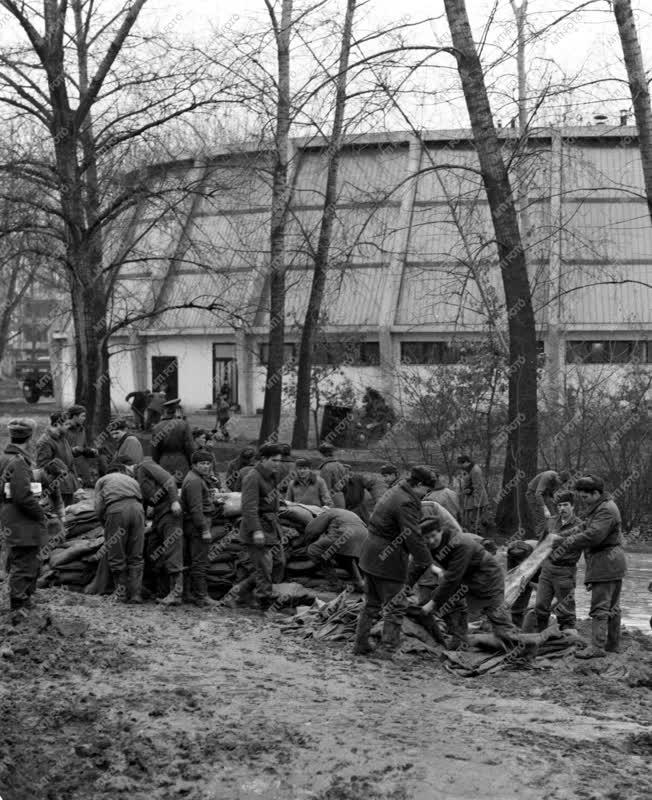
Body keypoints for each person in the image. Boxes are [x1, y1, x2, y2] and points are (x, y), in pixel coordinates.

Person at [353, 465, 437, 657]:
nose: (425, 495)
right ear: (419, 484)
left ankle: (360, 644)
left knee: (371, 603)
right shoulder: (406, 501)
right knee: (396, 606)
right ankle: (387, 649)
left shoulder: (396, 490)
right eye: (426, 490)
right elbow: (412, 535)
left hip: (370, 554)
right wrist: (426, 561)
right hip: (387, 559)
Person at [420, 519, 522, 649]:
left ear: (440, 531)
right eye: (426, 538)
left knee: (496, 614)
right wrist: (405, 588)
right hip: (465, 577)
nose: (431, 541)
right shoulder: (429, 545)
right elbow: (419, 565)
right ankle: (460, 640)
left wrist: (432, 603)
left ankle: (520, 646)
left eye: (433, 536)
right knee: (448, 602)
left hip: (487, 575)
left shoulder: (460, 543)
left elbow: (452, 578)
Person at [555, 475, 627, 659]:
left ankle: (597, 647)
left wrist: (564, 541)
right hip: (611, 562)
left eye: (585, 497)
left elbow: (593, 536)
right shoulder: (600, 507)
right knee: (612, 607)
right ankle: (612, 646)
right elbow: (584, 527)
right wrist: (562, 535)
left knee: (600, 607)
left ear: (596, 493)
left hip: (606, 562)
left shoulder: (605, 510)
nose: (582, 500)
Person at [0, 419, 48, 612]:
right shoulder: (19, 462)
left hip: (10, 516)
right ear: (30, 438)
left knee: (21, 559)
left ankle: (23, 602)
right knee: (25, 562)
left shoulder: (4, 458)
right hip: (22, 520)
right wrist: (40, 514)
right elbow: (22, 496)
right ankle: (20, 604)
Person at [237, 443, 285, 611]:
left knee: (279, 562)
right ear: (263, 459)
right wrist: (257, 531)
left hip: (271, 526)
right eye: (274, 460)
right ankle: (264, 602)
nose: (278, 464)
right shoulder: (253, 477)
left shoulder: (271, 475)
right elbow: (249, 507)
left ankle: (241, 593)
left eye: (280, 461)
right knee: (264, 567)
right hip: (257, 527)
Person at [134, 456, 184, 606]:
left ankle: (176, 594)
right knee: (152, 550)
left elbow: (169, 479)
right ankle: (162, 591)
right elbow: (142, 500)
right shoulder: (136, 478)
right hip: (158, 515)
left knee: (172, 550)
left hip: (170, 511)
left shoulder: (145, 465)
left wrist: (175, 501)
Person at [95, 460, 145, 603]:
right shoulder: (132, 480)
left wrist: (104, 524)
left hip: (117, 510)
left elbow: (98, 506)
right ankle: (136, 595)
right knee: (136, 554)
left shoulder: (102, 480)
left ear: (109, 471)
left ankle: (121, 594)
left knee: (116, 553)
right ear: (122, 470)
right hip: (137, 510)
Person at [533, 491, 582, 633]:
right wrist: (535, 567)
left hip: (566, 570)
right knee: (540, 605)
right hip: (547, 569)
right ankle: (541, 635)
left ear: (572, 506)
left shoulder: (579, 525)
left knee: (565, 610)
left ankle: (568, 637)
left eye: (565, 505)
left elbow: (584, 548)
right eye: (559, 505)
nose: (562, 508)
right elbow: (541, 545)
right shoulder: (551, 521)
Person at [180, 450, 219, 608]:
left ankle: (188, 594)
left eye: (208, 463)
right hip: (198, 525)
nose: (206, 466)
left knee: (191, 560)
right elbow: (196, 509)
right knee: (200, 562)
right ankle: (202, 597)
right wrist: (204, 529)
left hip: (193, 524)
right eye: (202, 463)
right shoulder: (195, 481)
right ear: (194, 465)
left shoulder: (195, 478)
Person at [305, 507, 367, 591]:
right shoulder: (346, 513)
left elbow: (312, 531)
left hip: (345, 534)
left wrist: (307, 542)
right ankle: (360, 582)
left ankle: (335, 584)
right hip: (364, 536)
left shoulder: (327, 513)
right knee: (347, 557)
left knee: (314, 550)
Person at [36, 411, 79, 506]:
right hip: (55, 488)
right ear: (57, 424)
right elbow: (42, 465)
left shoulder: (62, 438)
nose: (69, 427)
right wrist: (60, 471)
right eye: (66, 424)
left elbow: (69, 460)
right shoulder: (45, 441)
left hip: (67, 487)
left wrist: (75, 480)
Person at [151, 398, 195, 485]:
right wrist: (192, 463)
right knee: (182, 489)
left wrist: (157, 466)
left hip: (163, 462)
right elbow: (189, 447)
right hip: (181, 461)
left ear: (165, 412)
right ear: (176, 411)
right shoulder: (183, 424)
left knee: (166, 489)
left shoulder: (156, 427)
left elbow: (154, 451)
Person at [526, 469, 571, 541]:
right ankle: (538, 539)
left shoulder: (560, 483)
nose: (559, 484)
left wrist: (554, 501)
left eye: (561, 483)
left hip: (545, 495)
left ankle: (551, 536)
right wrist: (544, 508)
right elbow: (538, 493)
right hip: (533, 494)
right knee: (542, 518)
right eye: (559, 481)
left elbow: (551, 494)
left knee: (554, 515)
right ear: (557, 476)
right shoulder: (547, 476)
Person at [456, 455, 489, 535]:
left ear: (467, 462)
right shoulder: (467, 469)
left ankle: (478, 536)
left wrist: (477, 503)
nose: (460, 466)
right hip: (469, 497)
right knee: (469, 519)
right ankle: (472, 534)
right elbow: (467, 482)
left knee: (474, 520)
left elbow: (478, 487)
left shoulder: (475, 470)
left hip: (476, 498)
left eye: (461, 464)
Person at [65, 404, 97, 487]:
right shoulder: (63, 430)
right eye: (82, 416)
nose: (84, 418)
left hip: (82, 471)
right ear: (74, 416)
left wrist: (91, 451)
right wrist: (75, 450)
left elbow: (84, 447)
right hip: (68, 471)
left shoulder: (82, 430)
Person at [318, 443, 347, 508]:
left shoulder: (326, 468)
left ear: (323, 454)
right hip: (342, 498)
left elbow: (325, 488)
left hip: (331, 501)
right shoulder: (340, 465)